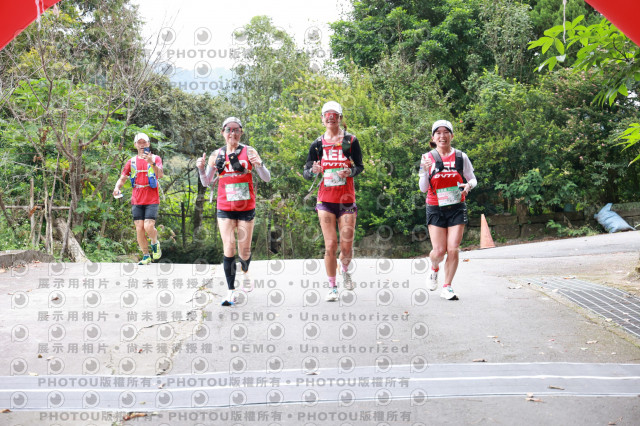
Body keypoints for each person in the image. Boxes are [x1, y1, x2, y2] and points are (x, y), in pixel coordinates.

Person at [197, 117, 271, 306]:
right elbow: (206, 182)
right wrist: (201, 169)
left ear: (241, 132)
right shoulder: (216, 155)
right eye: (228, 130)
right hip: (224, 207)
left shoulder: (250, 151)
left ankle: (245, 271)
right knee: (229, 247)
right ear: (222, 132)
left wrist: (260, 164)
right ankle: (231, 291)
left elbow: (266, 178)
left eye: (236, 129)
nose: (232, 133)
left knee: (244, 250)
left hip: (246, 207)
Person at [303, 101, 364, 302]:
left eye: (334, 115)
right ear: (322, 119)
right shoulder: (317, 145)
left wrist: (350, 171)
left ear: (340, 118)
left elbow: (359, 166)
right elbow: (306, 171)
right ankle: (332, 287)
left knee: (346, 247)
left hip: (346, 200)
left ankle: (344, 269)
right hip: (325, 201)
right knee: (330, 245)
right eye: (327, 115)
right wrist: (313, 171)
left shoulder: (349, 141)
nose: (331, 118)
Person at [419, 120, 477, 300]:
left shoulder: (461, 156)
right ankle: (434, 268)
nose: (442, 136)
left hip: (457, 206)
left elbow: (473, 179)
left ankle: (447, 286)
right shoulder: (427, 157)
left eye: (446, 132)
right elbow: (423, 188)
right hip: (435, 207)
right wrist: (424, 171)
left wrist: (468, 186)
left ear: (452, 135)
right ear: (433, 137)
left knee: (453, 249)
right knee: (438, 251)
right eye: (438, 133)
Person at [113, 132, 164, 265]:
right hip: (137, 199)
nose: (142, 145)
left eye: (144, 142)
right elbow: (123, 178)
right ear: (135, 145)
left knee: (148, 226)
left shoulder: (156, 158)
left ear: (148, 144)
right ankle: (146, 256)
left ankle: (155, 242)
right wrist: (117, 187)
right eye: (139, 142)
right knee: (139, 228)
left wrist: (151, 163)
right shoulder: (131, 162)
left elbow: (160, 175)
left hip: (152, 198)